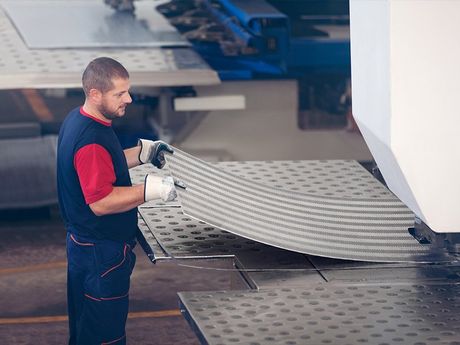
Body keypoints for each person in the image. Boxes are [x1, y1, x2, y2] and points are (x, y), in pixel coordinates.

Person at [57, 56, 178, 345]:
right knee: (104, 336)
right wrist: (152, 189)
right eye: (120, 94)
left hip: (84, 246)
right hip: (102, 253)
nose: (130, 98)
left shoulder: (80, 119)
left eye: (128, 90)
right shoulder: (92, 141)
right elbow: (101, 202)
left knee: (86, 329)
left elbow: (100, 167)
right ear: (95, 93)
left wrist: (141, 153)